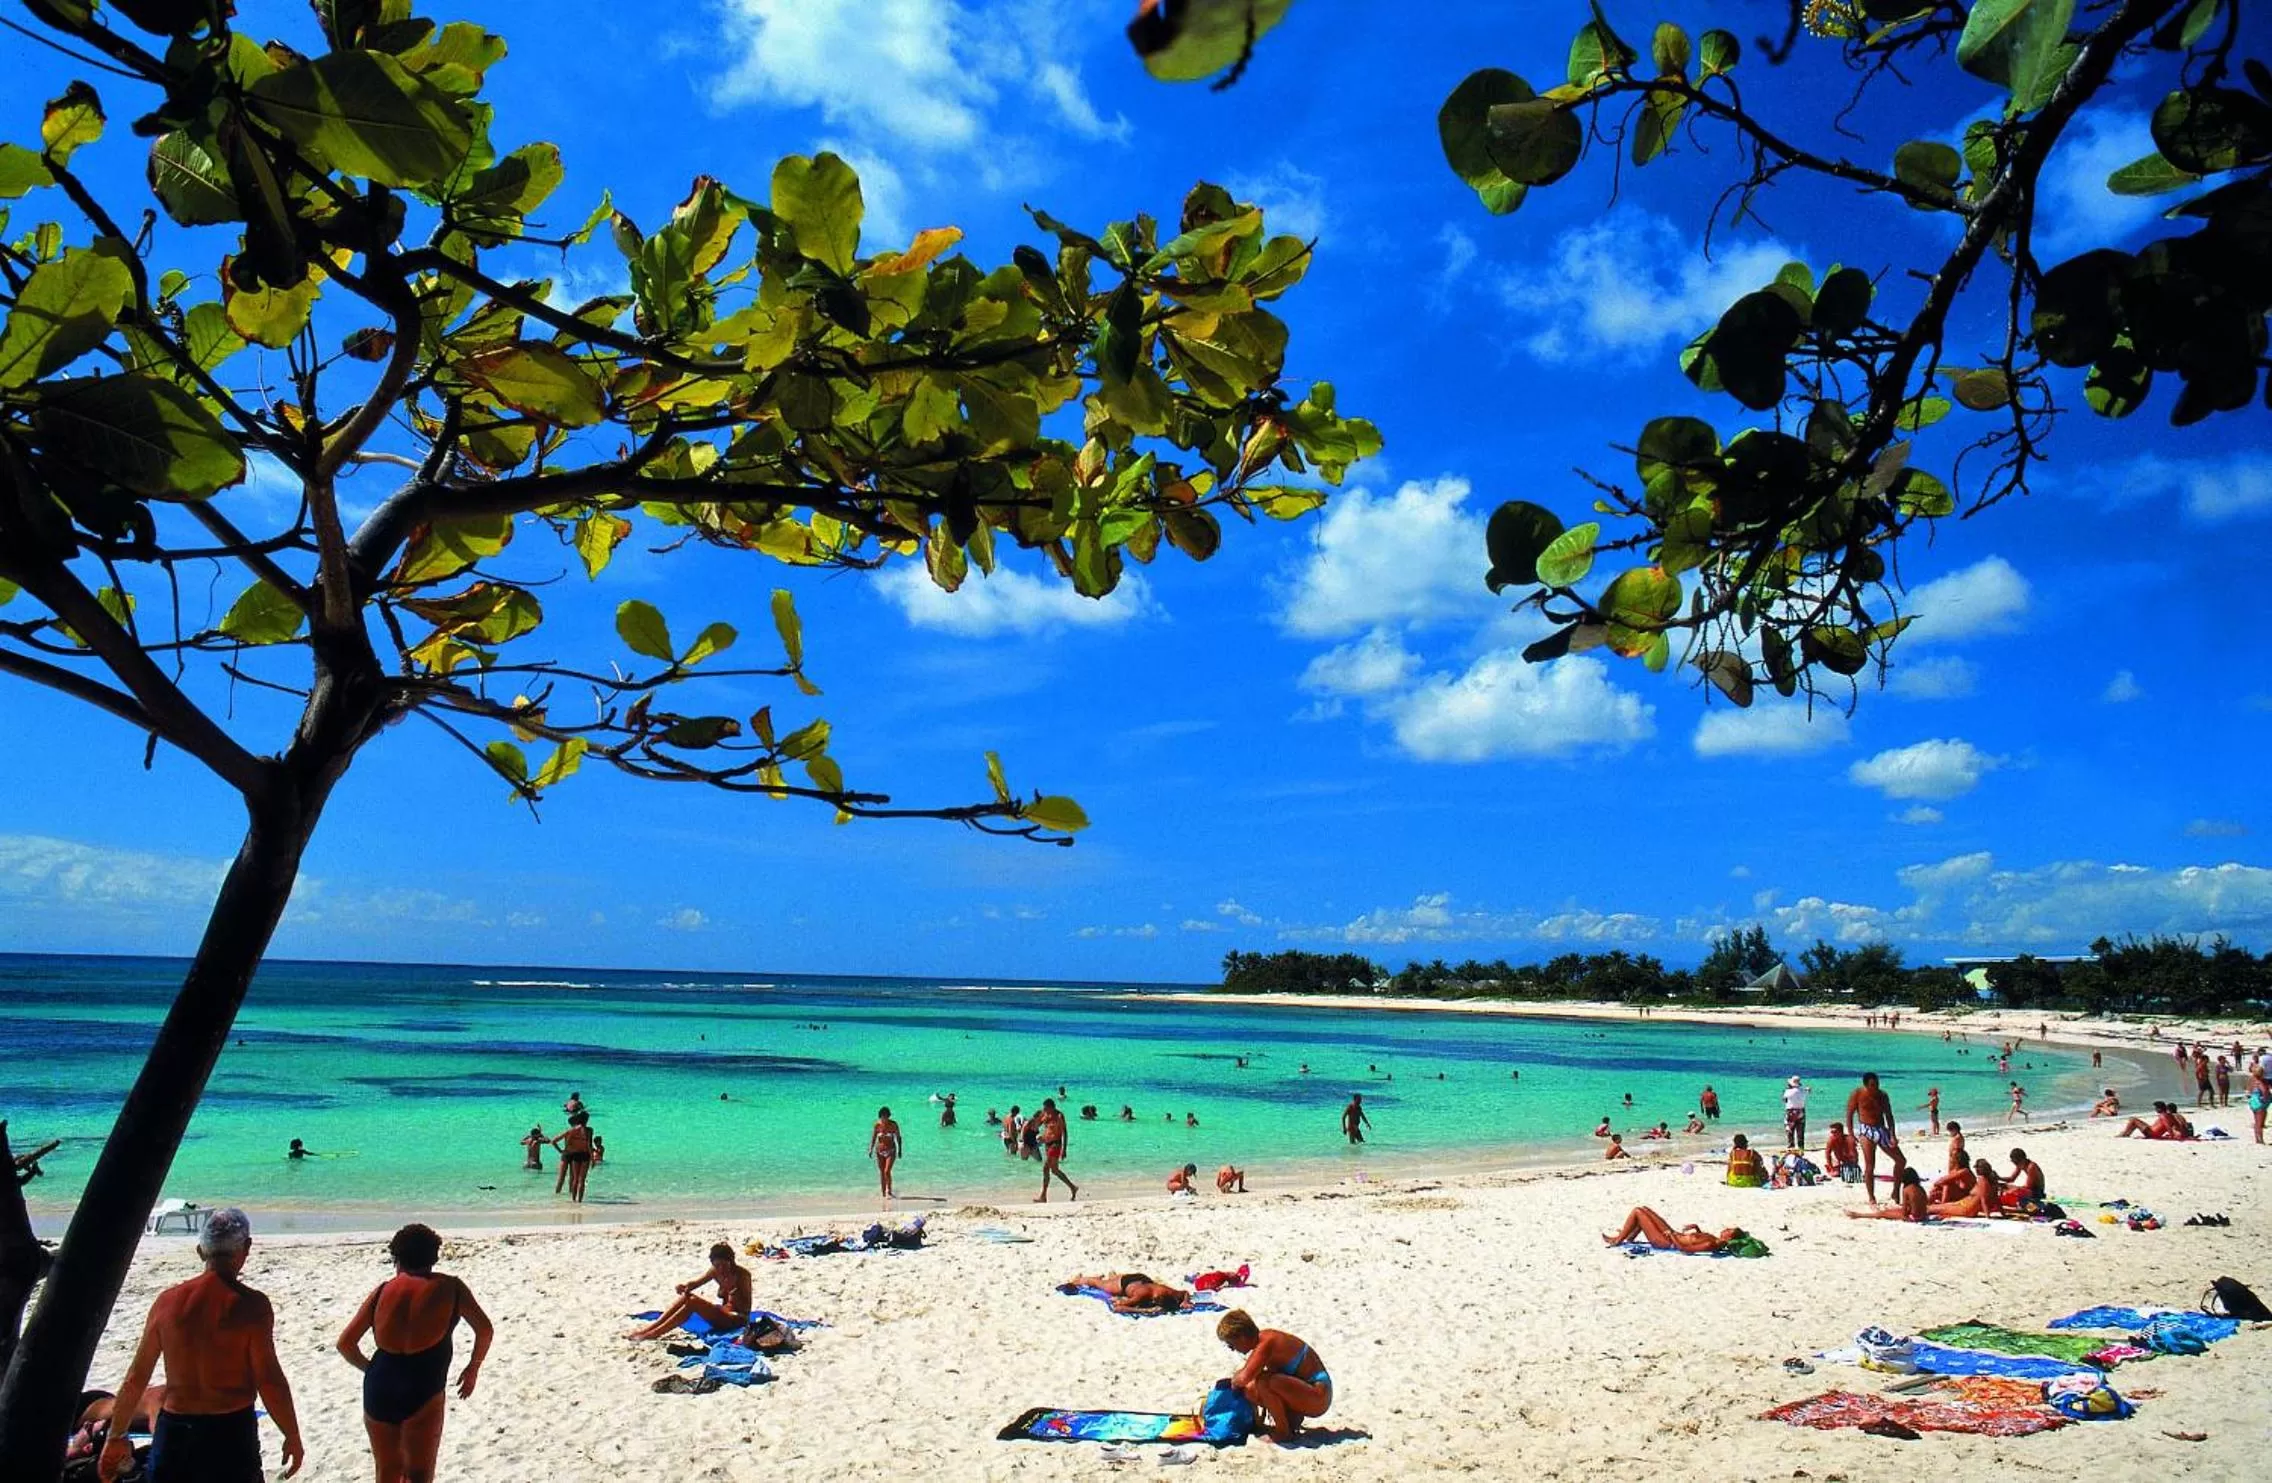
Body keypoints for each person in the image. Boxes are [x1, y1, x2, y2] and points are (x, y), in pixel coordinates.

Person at [99, 1208, 304, 1483]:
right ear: (247, 1247)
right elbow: (269, 1380)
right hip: (230, 1432)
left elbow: (136, 1378)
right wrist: (291, 1434)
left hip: (174, 1431)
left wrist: (117, 1435)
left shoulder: (167, 1303)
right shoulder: (251, 1306)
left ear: (200, 1251)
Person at [335, 1223, 494, 1483]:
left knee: (386, 1472)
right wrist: (473, 1367)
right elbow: (485, 1330)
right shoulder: (451, 1288)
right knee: (419, 1474)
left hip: (380, 1385)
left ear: (397, 1258)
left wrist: (370, 1369)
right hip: (423, 1386)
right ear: (433, 1257)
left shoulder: (383, 1290)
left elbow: (345, 1344)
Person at [1216, 1310, 1331, 1442]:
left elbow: (1243, 1378)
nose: (1232, 1349)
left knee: (1264, 1382)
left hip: (1319, 1394)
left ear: (1241, 1337)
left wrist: (1232, 1382)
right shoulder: (1263, 1340)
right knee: (1251, 1389)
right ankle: (1288, 1422)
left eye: (1231, 1344)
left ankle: (1284, 1432)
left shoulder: (1267, 1342)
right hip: (1308, 1391)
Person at [626, 1243, 752, 1341]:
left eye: (724, 1265)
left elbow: (746, 1308)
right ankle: (650, 1328)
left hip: (737, 1319)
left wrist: (735, 1294)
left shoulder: (742, 1275)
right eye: (717, 1265)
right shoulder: (715, 1271)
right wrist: (684, 1287)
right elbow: (695, 1284)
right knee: (687, 1297)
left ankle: (654, 1334)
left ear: (731, 1261)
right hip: (723, 1314)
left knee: (693, 1302)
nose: (721, 1269)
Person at [1844, 1072, 1906, 1203]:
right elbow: (1849, 1114)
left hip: (1881, 1129)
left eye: (1877, 1083)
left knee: (1901, 1161)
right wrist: (1850, 1134)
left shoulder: (1882, 1095)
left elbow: (1889, 1116)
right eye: (1872, 1085)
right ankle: (1871, 1197)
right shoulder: (1858, 1094)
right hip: (1866, 1130)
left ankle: (1895, 1191)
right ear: (1866, 1085)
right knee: (1870, 1165)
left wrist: (1892, 1135)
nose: (1876, 1086)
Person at [1601, 1208, 1738, 1253]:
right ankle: (1628, 1236)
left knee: (1638, 1212)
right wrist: (1696, 1228)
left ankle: (1618, 1240)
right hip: (1672, 1235)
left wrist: (1672, 1237)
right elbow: (1695, 1240)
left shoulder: (1711, 1244)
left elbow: (1685, 1249)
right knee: (1644, 1209)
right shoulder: (1714, 1240)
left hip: (1667, 1242)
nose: (1726, 1229)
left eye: (1729, 1230)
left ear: (1729, 1238)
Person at [1846, 1168, 1930, 1222]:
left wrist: (1903, 1214)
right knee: (1889, 1211)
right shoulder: (1921, 1188)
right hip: (1924, 1217)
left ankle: (1859, 1215)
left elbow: (1904, 1213)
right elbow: (1925, 1204)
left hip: (1914, 1218)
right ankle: (1858, 1215)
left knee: (1882, 1214)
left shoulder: (1906, 1190)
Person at [1928, 1159, 2004, 1218]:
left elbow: (1983, 1199)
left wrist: (1988, 1216)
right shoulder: (1991, 1180)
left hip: (1967, 1208)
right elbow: (1995, 1198)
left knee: (1933, 1208)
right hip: (1965, 1205)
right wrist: (2003, 1213)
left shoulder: (1982, 1180)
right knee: (1938, 1206)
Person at [1035, 1098, 1078, 1202]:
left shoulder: (1059, 1116)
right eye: (1044, 1109)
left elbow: (1064, 1133)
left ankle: (1043, 1196)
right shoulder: (1045, 1115)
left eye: (1046, 1109)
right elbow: (1037, 1125)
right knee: (1054, 1170)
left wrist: (1064, 1149)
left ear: (1052, 1107)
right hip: (1047, 1144)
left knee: (1046, 1168)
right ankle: (1072, 1187)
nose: (1045, 1110)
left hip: (1056, 1144)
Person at [550, 1111, 594, 1202]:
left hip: (570, 1154)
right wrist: (592, 1158)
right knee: (577, 1179)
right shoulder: (588, 1130)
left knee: (570, 1179)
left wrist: (561, 1151)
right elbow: (589, 1146)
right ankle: (577, 1200)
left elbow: (554, 1141)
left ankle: (569, 1199)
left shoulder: (571, 1131)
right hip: (580, 1154)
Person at [1927, 1122, 1970, 1200]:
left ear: (1954, 1129)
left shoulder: (1957, 1138)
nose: (1950, 1133)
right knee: (1950, 1180)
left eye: (1950, 1131)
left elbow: (1957, 1151)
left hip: (1955, 1162)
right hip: (1954, 1161)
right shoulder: (1957, 1137)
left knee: (1952, 1180)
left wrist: (1954, 1162)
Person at [870, 1106, 902, 1199]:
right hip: (879, 1151)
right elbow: (873, 1138)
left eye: (886, 1117)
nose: (884, 1119)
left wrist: (900, 1150)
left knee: (887, 1171)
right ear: (880, 1117)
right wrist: (870, 1149)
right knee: (882, 1172)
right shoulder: (877, 1125)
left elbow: (898, 1138)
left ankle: (889, 1190)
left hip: (891, 1150)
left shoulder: (893, 1125)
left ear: (889, 1116)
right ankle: (883, 1193)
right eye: (883, 1117)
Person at [1782, 1076, 1808, 1149]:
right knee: (1800, 1132)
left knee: (1790, 1130)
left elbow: (1784, 1100)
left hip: (1791, 1111)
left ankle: (1791, 1147)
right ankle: (1801, 1147)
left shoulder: (1787, 1091)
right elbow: (1806, 1090)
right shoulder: (1803, 1091)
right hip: (1801, 1111)